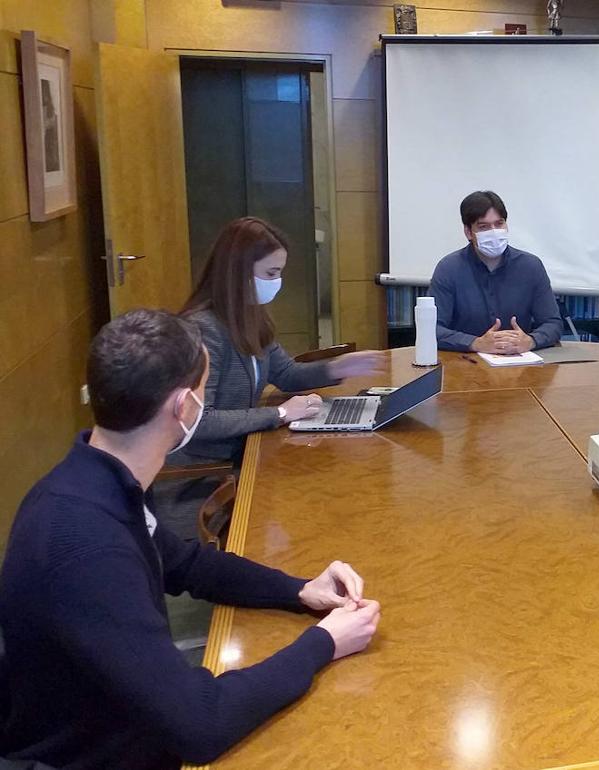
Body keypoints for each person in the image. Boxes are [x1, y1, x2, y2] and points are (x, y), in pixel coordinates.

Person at [0, 309, 382, 768]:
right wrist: (324, 643)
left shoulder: (102, 477)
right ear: (183, 408)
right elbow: (200, 723)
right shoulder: (87, 544)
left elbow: (186, 564)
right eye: (204, 391)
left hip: (128, 729)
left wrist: (299, 590)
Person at [153, 217, 385, 538]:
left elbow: (285, 373)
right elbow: (199, 422)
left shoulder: (249, 315)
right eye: (271, 274)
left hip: (243, 457)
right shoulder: (203, 330)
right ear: (238, 273)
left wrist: (337, 368)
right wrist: (279, 414)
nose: (277, 283)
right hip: (205, 477)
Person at [430, 190, 562, 353]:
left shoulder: (531, 266)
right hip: (466, 365)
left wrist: (531, 341)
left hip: (521, 367)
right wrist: (475, 343)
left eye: (499, 224)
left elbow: (553, 324)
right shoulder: (449, 269)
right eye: (483, 227)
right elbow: (432, 329)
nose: (493, 232)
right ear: (468, 232)